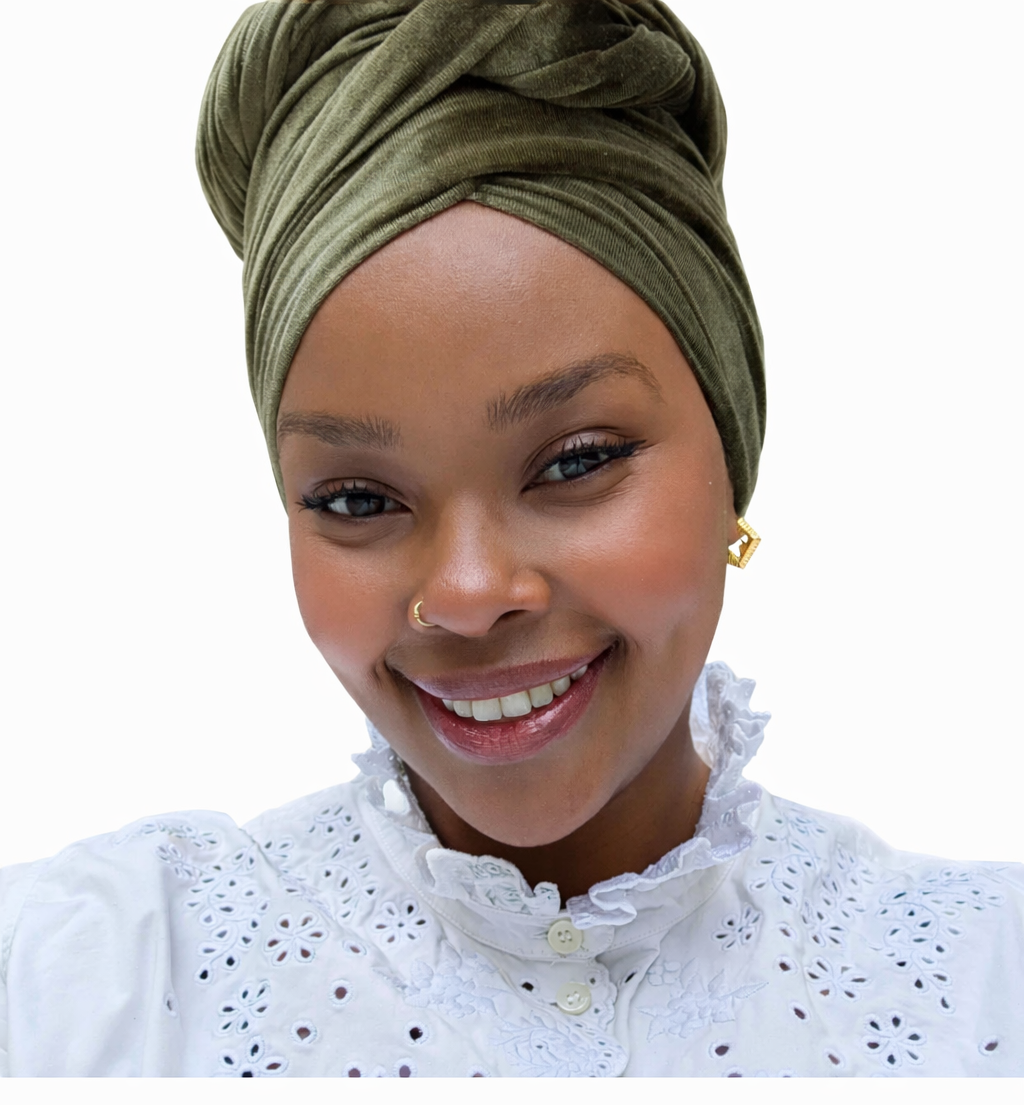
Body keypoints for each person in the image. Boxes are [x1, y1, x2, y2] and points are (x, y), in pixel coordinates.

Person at [1, 0, 1021, 1078]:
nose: (470, 590)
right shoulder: (92, 979)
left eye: (576, 461)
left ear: (731, 454)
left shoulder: (981, 979)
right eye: (355, 499)